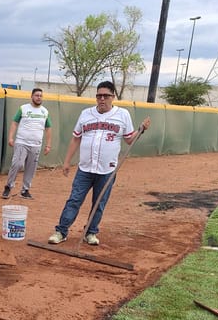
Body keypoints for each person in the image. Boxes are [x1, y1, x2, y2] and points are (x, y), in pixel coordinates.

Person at [48, 81, 151, 246]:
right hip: (85, 168)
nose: (102, 99)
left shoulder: (123, 115)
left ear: (113, 97)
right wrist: (67, 162)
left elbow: (129, 139)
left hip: (107, 169)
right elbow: (76, 138)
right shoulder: (86, 114)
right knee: (74, 200)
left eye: (106, 96)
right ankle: (61, 231)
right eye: (99, 96)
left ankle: (91, 232)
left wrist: (141, 129)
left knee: (99, 203)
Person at [1, 87, 52, 200]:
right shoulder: (23, 109)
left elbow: (48, 128)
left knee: (31, 168)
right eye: (37, 95)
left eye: (40, 96)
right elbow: (15, 123)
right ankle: (9, 186)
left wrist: (48, 145)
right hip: (21, 142)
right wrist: (11, 137)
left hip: (36, 144)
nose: (39, 97)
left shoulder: (45, 111)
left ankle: (25, 190)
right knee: (17, 164)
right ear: (32, 96)